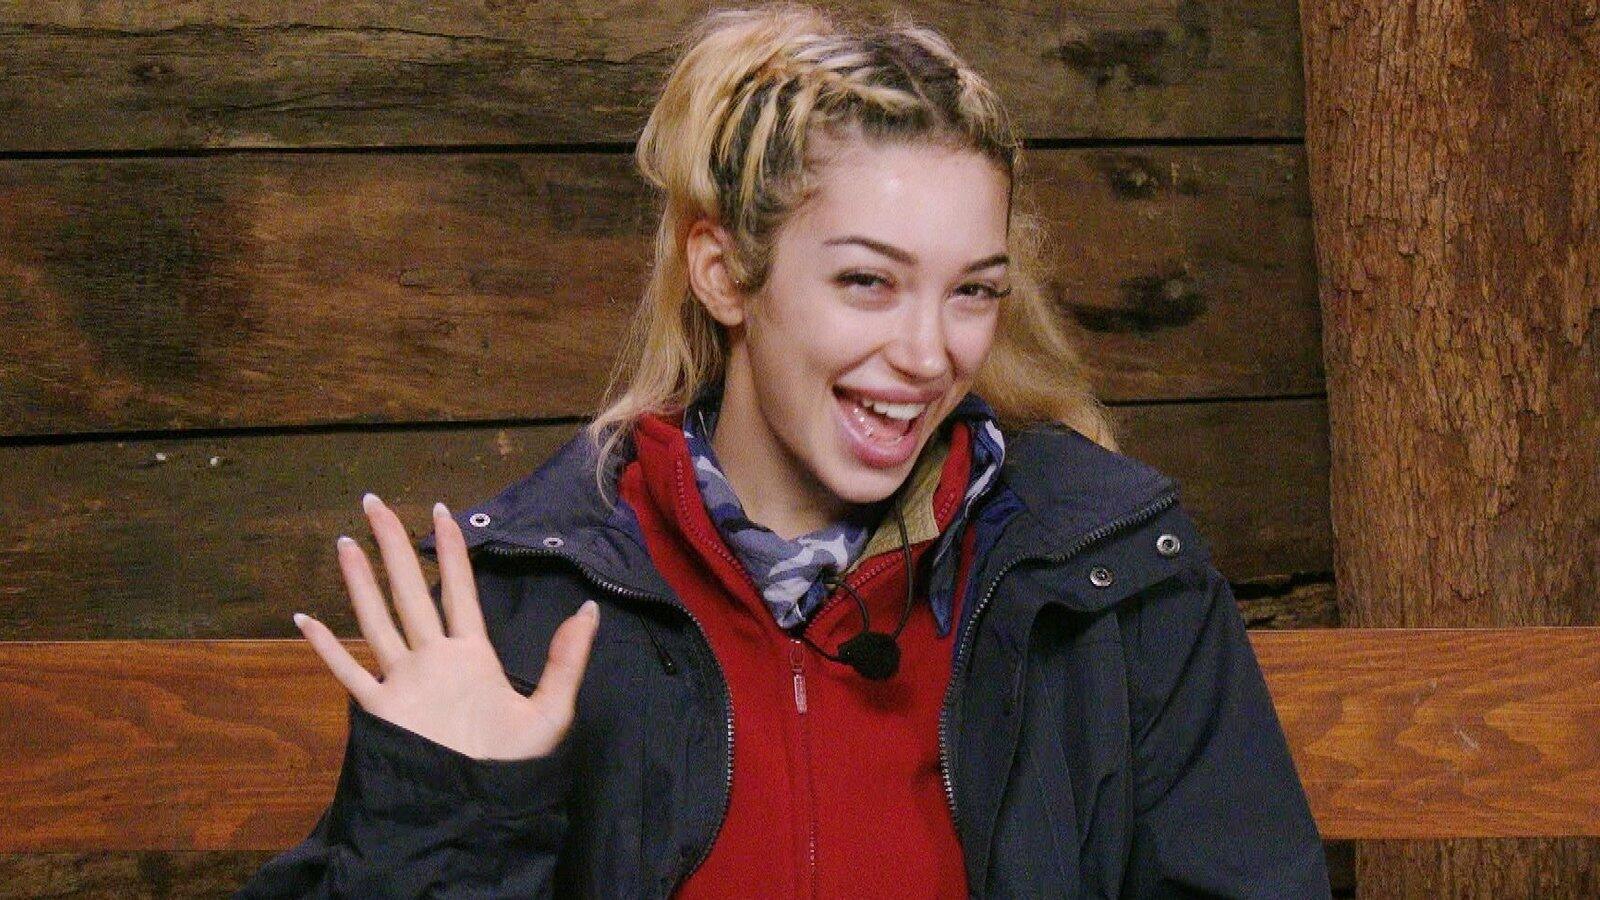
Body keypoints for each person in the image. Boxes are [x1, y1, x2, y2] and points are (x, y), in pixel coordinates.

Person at [236, 3, 1330, 897]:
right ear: (723, 274)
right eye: (867, 280)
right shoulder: (532, 599)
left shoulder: (1118, 578)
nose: (928, 353)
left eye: (972, 292)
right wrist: (446, 816)